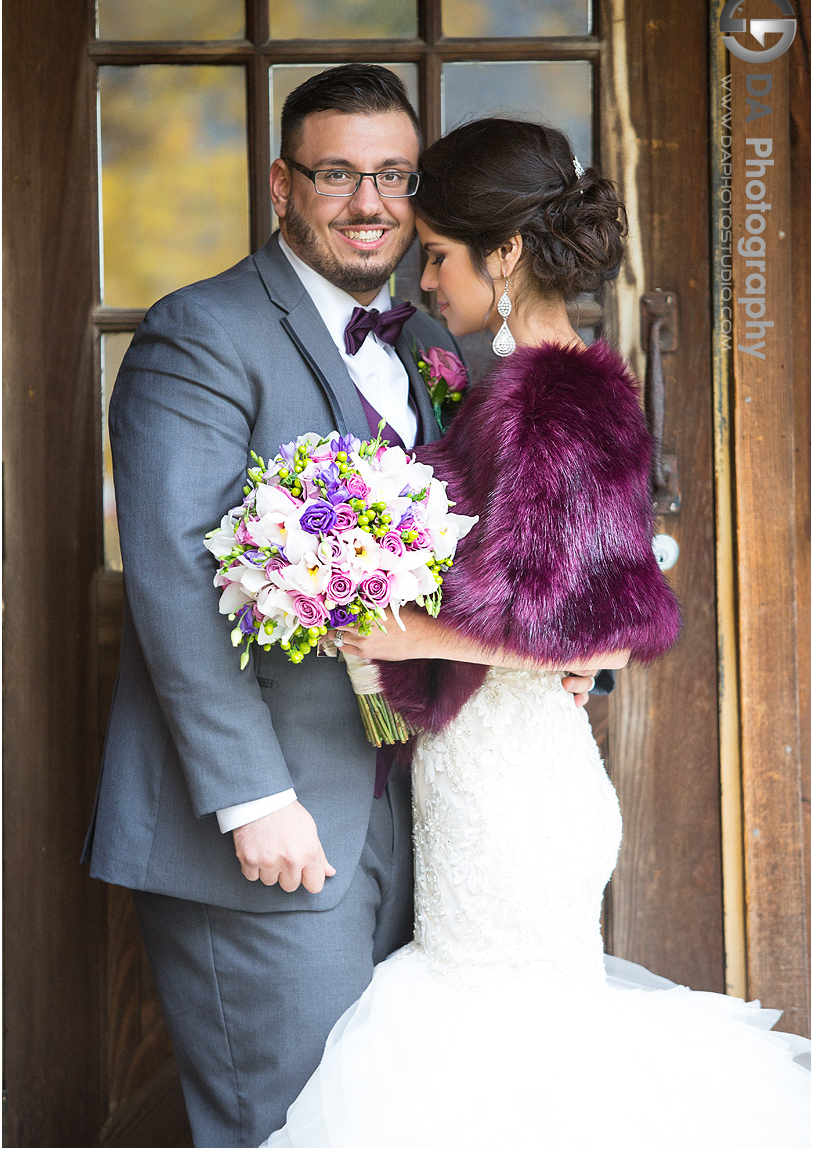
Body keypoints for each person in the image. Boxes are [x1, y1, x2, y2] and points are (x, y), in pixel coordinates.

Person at [263, 119, 811, 1149]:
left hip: (514, 799)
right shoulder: (527, 389)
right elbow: (580, 621)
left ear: (504, 254)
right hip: (494, 775)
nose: (426, 280)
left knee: (497, 1060)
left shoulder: (553, 399)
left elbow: (586, 636)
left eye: (439, 254)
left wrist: (413, 636)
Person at [82, 68, 599, 1148]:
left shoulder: (433, 345)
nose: (370, 203)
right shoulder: (200, 332)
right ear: (282, 184)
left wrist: (540, 637)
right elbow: (177, 570)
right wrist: (250, 795)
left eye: (395, 176)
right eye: (337, 173)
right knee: (293, 1124)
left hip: (422, 817)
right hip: (267, 828)